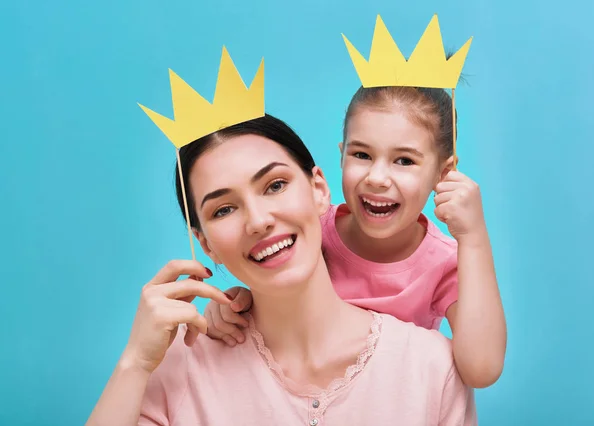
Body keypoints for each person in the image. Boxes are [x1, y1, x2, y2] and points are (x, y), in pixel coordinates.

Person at [86, 114, 476, 425]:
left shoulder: (430, 368)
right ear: (205, 244)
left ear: (319, 190)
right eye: (223, 209)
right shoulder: (180, 367)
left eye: (274, 185)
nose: (258, 221)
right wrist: (134, 363)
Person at [204, 86, 507, 389]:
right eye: (361, 154)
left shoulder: (445, 264)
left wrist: (474, 237)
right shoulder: (310, 230)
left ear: (444, 174)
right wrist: (234, 305)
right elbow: (272, 295)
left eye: (404, 161)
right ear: (341, 155)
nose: (376, 177)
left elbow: (481, 369)